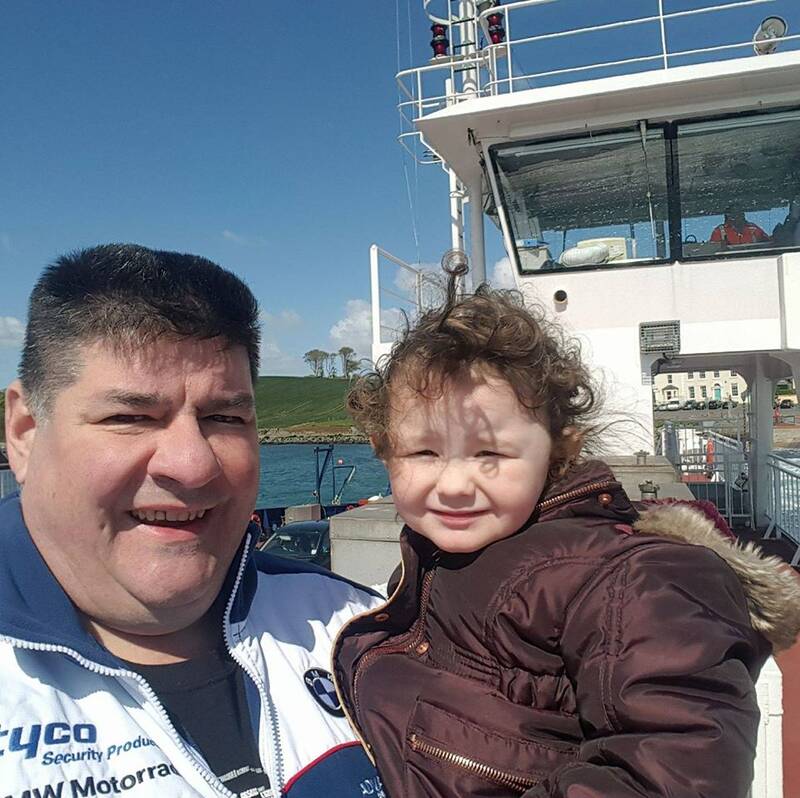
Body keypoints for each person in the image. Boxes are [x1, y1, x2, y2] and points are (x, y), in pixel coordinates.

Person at [332, 263, 800, 798]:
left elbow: (670, 766)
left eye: (490, 454)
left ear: (559, 450)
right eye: (423, 452)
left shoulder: (627, 580)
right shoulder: (437, 558)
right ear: (385, 452)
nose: (455, 485)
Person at [1, 244, 384, 798]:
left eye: (224, 417)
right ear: (25, 433)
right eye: (131, 416)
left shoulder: (361, 631)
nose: (193, 464)